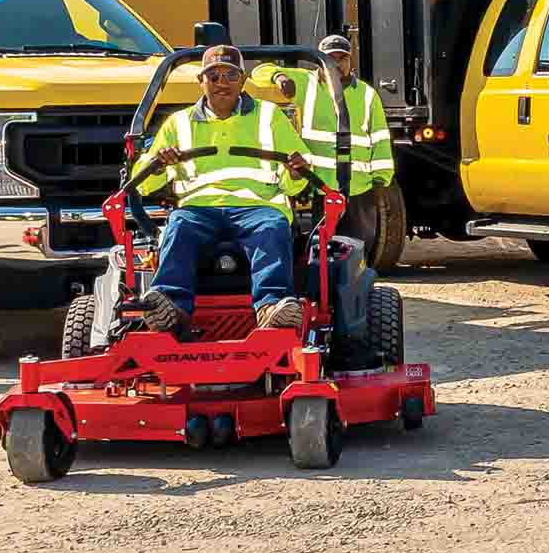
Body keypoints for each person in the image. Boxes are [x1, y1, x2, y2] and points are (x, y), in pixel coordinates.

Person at [126, 44, 311, 333]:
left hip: (258, 207)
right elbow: (144, 182)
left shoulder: (270, 117)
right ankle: (170, 307)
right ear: (201, 81)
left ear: (243, 80)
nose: (222, 83)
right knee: (178, 225)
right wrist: (159, 165)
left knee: (272, 227)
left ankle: (272, 306)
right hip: (199, 209)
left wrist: (297, 171)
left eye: (230, 76)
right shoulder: (178, 123)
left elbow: (295, 179)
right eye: (214, 77)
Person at [295, 34, 398, 260]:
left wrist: (381, 180)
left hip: (358, 188)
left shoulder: (367, 94)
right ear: (320, 61)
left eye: (343, 58)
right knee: (320, 250)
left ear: (351, 61)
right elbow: (260, 72)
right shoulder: (305, 84)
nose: (337, 63)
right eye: (330, 58)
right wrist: (281, 76)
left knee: (358, 251)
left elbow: (380, 138)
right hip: (320, 186)